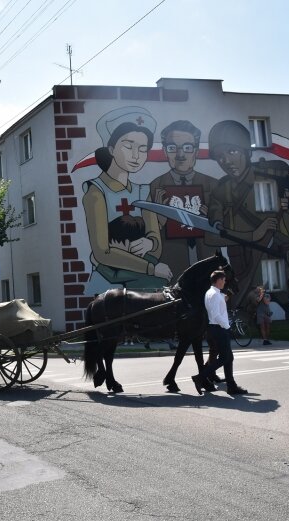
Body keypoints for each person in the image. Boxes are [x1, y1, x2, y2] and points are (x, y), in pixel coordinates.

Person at [205, 120, 289, 300]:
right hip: (242, 259)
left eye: (232, 151)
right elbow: (213, 229)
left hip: (278, 250)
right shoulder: (222, 189)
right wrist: (253, 235)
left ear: (247, 151)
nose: (226, 161)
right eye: (219, 156)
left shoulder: (272, 173)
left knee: (281, 293)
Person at [82, 108, 171, 293]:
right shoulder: (96, 192)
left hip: (144, 284)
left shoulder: (143, 191)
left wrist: (150, 243)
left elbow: (156, 245)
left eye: (143, 149)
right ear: (112, 149)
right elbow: (103, 253)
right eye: (129, 146)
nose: (136, 156)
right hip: (109, 286)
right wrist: (152, 269)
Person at [150, 120, 217, 277]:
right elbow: (150, 230)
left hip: (207, 259)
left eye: (187, 148)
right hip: (173, 259)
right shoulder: (156, 185)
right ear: (165, 151)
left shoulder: (213, 185)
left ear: (196, 151)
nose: (180, 155)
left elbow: (227, 227)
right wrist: (158, 220)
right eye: (173, 148)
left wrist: (213, 221)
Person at [191, 270, 248, 396]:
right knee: (224, 358)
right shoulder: (215, 295)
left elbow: (218, 304)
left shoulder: (211, 293)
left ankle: (231, 386)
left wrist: (226, 297)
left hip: (214, 329)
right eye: (223, 279)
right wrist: (227, 326)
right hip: (219, 329)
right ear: (218, 280)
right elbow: (216, 314)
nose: (225, 281)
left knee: (229, 357)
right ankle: (200, 377)